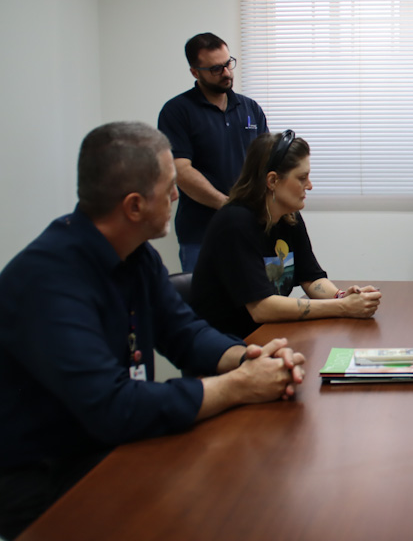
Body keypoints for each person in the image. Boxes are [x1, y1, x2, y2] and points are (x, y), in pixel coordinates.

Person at [0, 122, 305, 539]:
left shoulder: (137, 256)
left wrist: (249, 358)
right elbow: (112, 407)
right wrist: (238, 385)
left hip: (111, 447)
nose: (177, 196)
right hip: (46, 480)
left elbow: (185, 332)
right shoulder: (48, 280)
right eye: (169, 187)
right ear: (134, 206)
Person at [191, 130, 382, 339]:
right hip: (228, 344)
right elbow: (262, 308)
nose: (310, 185)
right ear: (272, 180)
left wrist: (342, 296)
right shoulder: (234, 223)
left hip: (270, 335)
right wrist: (343, 307)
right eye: (302, 178)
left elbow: (311, 279)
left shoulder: (289, 217)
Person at [158, 32, 268, 272]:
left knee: (255, 293)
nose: (226, 73)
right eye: (216, 69)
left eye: (228, 63)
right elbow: (180, 170)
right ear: (195, 72)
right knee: (204, 296)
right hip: (201, 234)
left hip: (250, 227)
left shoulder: (250, 108)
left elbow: (267, 163)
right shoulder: (176, 111)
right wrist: (228, 205)